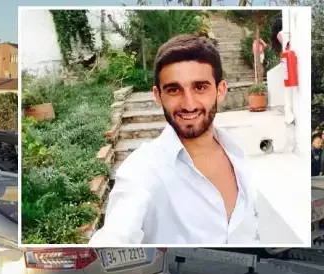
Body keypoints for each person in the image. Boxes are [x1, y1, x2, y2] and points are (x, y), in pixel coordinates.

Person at [90, 35, 258, 246]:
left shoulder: (237, 152)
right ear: (158, 96)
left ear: (220, 90)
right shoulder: (141, 170)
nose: (188, 104)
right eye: (174, 90)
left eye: (200, 87)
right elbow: (116, 235)